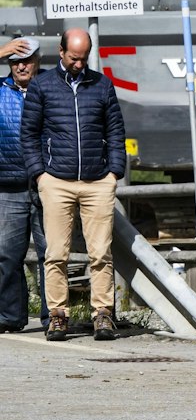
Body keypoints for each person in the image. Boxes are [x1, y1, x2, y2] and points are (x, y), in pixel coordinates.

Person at [21, 27, 126, 341]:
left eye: (84, 59)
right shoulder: (42, 86)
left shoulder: (102, 85)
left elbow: (116, 132)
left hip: (98, 181)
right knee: (56, 254)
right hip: (56, 181)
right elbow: (29, 135)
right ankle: (57, 316)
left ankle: (103, 315)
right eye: (73, 58)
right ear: (62, 51)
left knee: (101, 254)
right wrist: (40, 174)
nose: (79, 64)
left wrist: (114, 173)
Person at [0, 35, 50, 331]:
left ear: (37, 61)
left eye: (26, 60)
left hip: (47, 183)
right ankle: (10, 317)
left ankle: (52, 317)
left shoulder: (50, 87)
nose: (20, 66)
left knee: (51, 254)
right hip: (7, 184)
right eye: (14, 60)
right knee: (7, 254)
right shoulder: (1, 89)